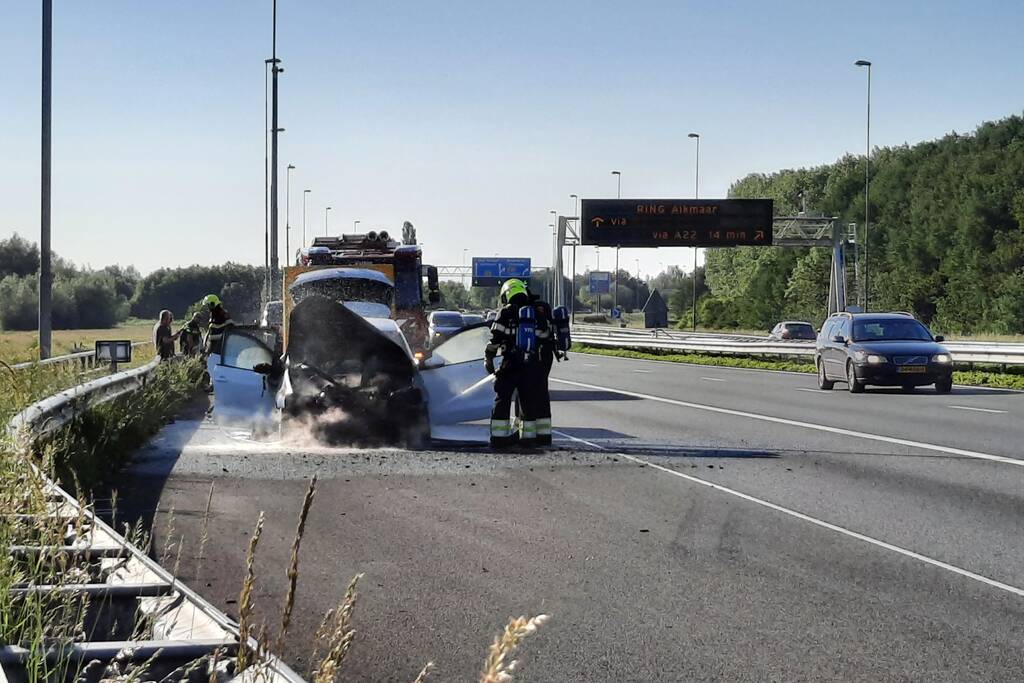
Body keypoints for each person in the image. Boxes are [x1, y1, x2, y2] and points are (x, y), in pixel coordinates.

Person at [485, 278, 540, 447]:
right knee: (527, 400)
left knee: (503, 398)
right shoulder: (532, 312)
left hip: (510, 362)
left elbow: (495, 339)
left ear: (507, 294)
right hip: (529, 363)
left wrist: (489, 357)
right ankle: (528, 438)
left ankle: (499, 437)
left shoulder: (506, 312)